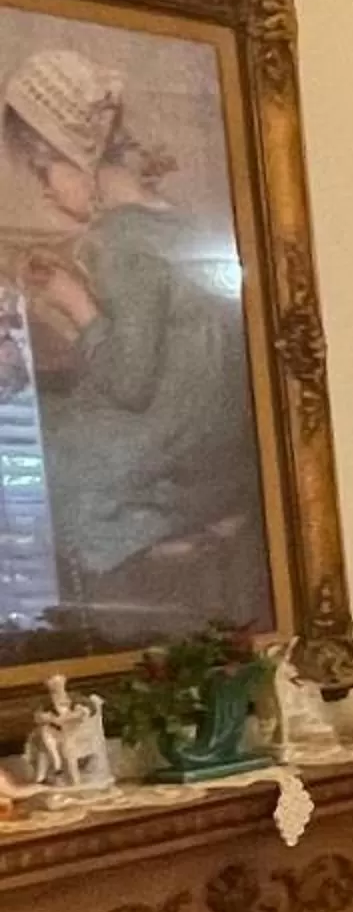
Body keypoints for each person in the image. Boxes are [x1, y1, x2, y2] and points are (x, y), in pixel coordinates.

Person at [5, 45, 266, 647]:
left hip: (170, 447)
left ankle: (65, 628)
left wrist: (74, 302)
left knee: (43, 452)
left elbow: (130, 380)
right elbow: (156, 343)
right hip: (214, 439)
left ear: (78, 158)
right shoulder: (177, 225)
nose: (46, 193)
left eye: (46, 173)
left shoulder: (118, 242)